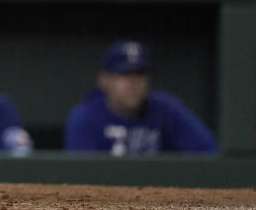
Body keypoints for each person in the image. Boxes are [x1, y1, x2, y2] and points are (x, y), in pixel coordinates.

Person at [64, 40, 217, 155]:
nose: (133, 83)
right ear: (104, 80)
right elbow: (80, 177)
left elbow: (208, 152)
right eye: (124, 75)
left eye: (140, 74)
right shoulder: (85, 116)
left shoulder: (165, 108)